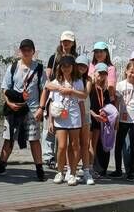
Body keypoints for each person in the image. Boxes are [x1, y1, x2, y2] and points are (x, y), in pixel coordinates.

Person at [0, 39, 47, 181]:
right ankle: (1, 165)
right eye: (23, 50)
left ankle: (39, 168)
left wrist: (41, 108)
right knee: (8, 138)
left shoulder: (39, 69)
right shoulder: (13, 67)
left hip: (32, 109)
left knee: (34, 139)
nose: (26, 52)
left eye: (29, 50)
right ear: (20, 51)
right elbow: (5, 88)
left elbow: (45, 89)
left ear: (33, 52)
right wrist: (9, 103)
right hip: (14, 109)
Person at [43, 54, 87, 186]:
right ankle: (60, 172)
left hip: (74, 117)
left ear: (73, 67)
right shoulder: (57, 82)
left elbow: (83, 98)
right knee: (61, 146)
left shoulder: (78, 81)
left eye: (68, 66)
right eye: (63, 66)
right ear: (60, 67)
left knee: (74, 145)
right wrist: (50, 121)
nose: (66, 68)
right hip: (60, 118)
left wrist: (70, 91)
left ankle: (72, 173)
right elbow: (51, 100)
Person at [43, 31, 77, 168]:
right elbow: (47, 77)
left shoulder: (76, 57)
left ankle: (62, 160)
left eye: (68, 41)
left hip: (69, 96)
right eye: (64, 40)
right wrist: (57, 86)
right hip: (55, 92)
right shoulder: (54, 57)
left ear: (73, 42)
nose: (66, 43)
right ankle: (48, 156)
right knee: (50, 125)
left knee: (64, 127)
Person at [111, 61, 134, 181]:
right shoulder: (120, 85)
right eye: (131, 72)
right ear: (126, 71)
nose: (133, 75)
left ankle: (132, 171)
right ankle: (118, 170)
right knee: (119, 145)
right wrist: (116, 117)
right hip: (122, 118)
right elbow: (116, 102)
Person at [89, 62, 113, 177]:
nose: (101, 75)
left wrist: (104, 113)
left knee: (93, 145)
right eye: (100, 73)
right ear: (95, 72)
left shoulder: (104, 90)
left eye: (104, 73)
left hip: (98, 120)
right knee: (87, 144)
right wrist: (94, 115)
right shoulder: (90, 87)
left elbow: (107, 106)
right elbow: (85, 105)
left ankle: (90, 168)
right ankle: (84, 168)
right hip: (89, 118)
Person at [75, 55, 94, 185]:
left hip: (86, 112)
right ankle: (71, 170)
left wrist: (69, 91)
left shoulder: (88, 79)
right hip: (72, 113)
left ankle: (86, 171)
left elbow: (85, 94)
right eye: (79, 65)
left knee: (85, 143)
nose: (81, 67)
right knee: (73, 144)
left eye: (84, 65)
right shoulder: (70, 78)